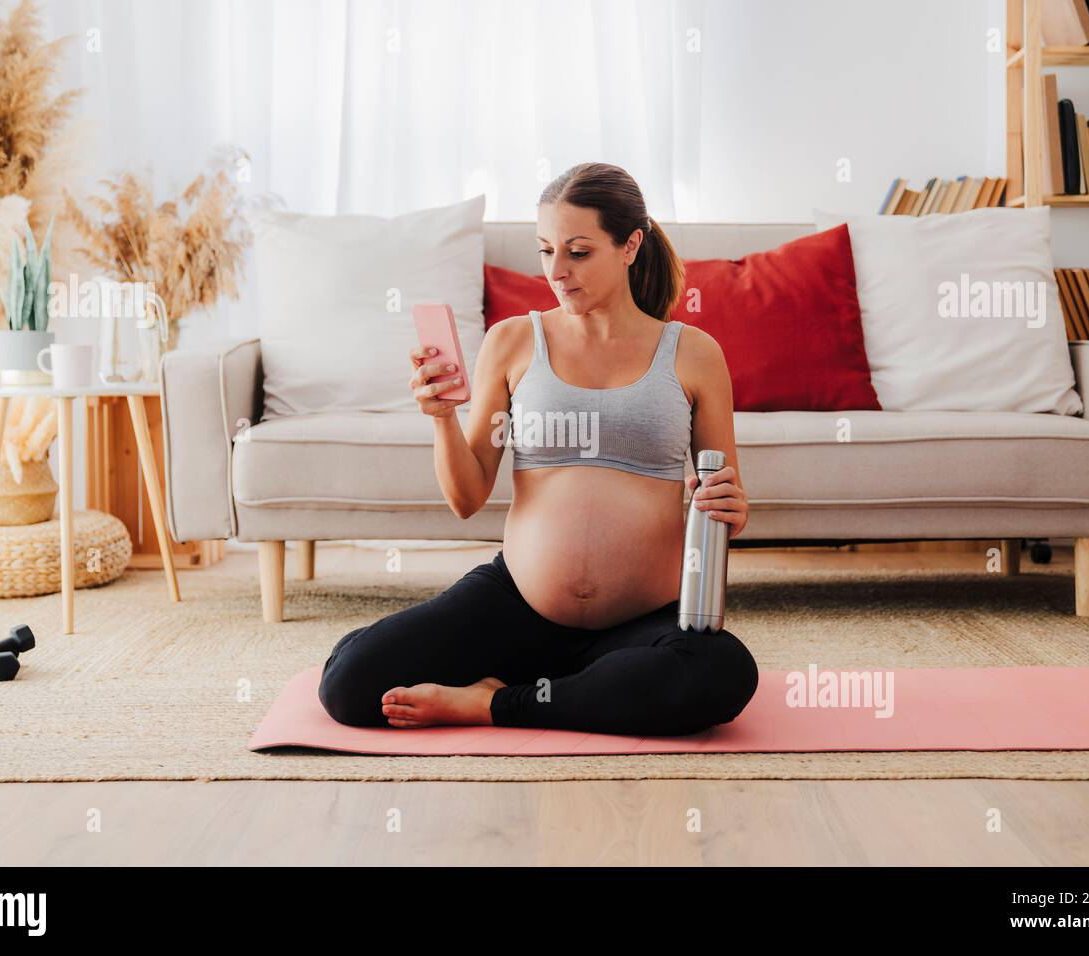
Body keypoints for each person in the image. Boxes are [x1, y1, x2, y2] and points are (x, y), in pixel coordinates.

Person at [317, 162, 758, 736]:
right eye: (546, 250)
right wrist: (441, 417)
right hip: (518, 607)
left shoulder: (694, 353)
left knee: (721, 672)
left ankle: (492, 703)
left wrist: (730, 507)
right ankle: (577, 693)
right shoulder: (512, 342)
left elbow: (729, 503)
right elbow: (467, 497)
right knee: (350, 682)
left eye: (578, 252)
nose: (557, 272)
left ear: (630, 245)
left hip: (641, 621)